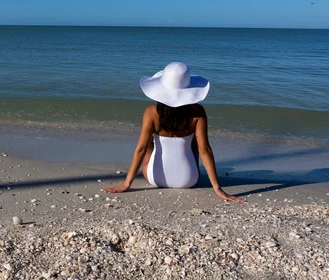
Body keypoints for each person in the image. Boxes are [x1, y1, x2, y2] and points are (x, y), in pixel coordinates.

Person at [103, 62, 244, 203]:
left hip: (155, 178)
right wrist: (217, 189)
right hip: (189, 180)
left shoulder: (151, 112)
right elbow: (205, 150)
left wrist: (126, 184)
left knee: (148, 143)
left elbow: (140, 149)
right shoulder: (197, 112)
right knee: (195, 142)